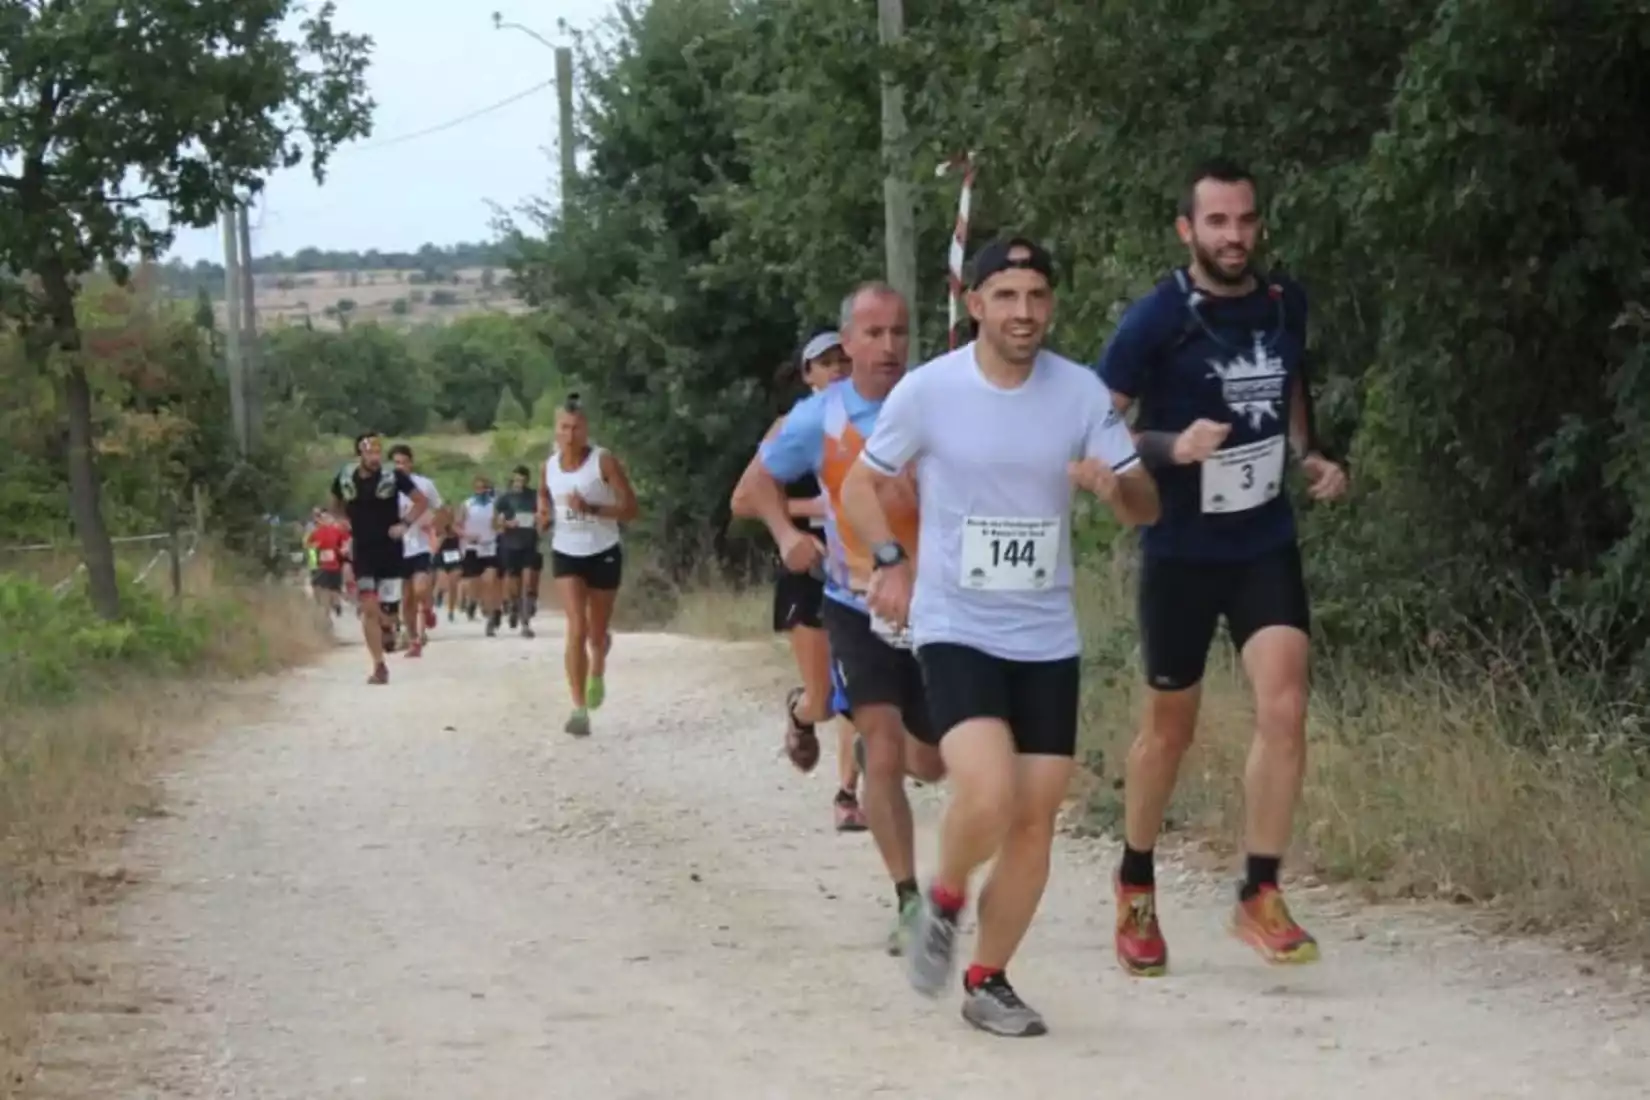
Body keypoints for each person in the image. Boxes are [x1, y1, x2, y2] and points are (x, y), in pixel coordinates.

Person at [843, 237, 1159, 1037]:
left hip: (1046, 634)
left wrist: (1115, 484)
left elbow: (1145, 507)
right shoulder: (930, 391)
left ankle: (988, 979)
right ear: (975, 303)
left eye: (1037, 297)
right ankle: (944, 896)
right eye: (1007, 296)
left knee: (1034, 816)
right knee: (986, 791)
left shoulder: (1081, 393)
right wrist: (889, 557)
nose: (1024, 312)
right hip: (958, 624)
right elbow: (860, 484)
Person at [1095, 158, 1350, 978]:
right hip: (1180, 549)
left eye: (1245, 221)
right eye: (1217, 223)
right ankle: (1135, 882)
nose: (1234, 236)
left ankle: (1259, 890)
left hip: (1262, 540)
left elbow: (1289, 382)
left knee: (1285, 703)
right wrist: (1172, 447)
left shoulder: (1284, 305)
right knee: (1169, 731)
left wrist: (1310, 455)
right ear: (1187, 230)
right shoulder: (1155, 320)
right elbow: (1093, 427)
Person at [730, 281, 945, 956]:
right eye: (874, 334)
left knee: (932, 763)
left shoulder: (939, 402)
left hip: (935, 603)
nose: (888, 347)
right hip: (855, 603)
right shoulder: (818, 417)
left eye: (899, 334)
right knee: (882, 748)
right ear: (846, 343)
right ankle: (909, 899)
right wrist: (787, 535)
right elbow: (750, 490)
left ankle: (884, 754)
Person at [765, 329, 866, 832]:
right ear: (807, 375)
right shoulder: (792, 426)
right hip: (808, 568)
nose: (838, 371)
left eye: (845, 361)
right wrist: (814, 513)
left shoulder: (874, 420)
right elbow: (755, 499)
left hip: (861, 570)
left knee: (858, 689)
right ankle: (801, 715)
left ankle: (847, 793)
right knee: (825, 699)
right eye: (826, 363)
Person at [539, 393, 639, 738]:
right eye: (564, 428)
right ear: (555, 430)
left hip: (604, 550)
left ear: (586, 430)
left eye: (577, 428)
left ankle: (598, 665)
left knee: (597, 633)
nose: (570, 435)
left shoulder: (603, 462)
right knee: (576, 626)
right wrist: (542, 513)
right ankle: (578, 708)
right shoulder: (549, 466)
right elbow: (544, 494)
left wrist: (592, 509)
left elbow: (630, 509)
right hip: (566, 551)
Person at [329, 431, 430, 684]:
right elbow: (335, 503)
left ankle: (388, 625)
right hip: (363, 550)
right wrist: (341, 521)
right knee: (367, 608)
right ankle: (378, 665)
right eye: (369, 452)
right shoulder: (345, 477)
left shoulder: (393, 477)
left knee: (387, 609)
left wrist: (405, 524)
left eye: (377, 452)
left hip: (390, 550)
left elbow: (421, 501)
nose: (374, 457)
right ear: (359, 454)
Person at [390, 443, 444, 658]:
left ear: (411, 463)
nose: (400, 466)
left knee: (421, 589)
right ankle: (413, 639)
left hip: (420, 545)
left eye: (403, 462)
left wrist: (434, 526)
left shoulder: (424, 485)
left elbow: (441, 510)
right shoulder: (387, 488)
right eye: (396, 463)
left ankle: (428, 609)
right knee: (407, 597)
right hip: (397, 548)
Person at [495, 464, 544, 639]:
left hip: (530, 543)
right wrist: (508, 524)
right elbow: (497, 523)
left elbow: (544, 515)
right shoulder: (505, 498)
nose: (519, 483)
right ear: (513, 479)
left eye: (523, 480)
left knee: (529, 581)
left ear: (527, 480)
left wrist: (541, 522)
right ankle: (514, 606)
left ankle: (526, 622)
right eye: (517, 480)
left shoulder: (535, 496)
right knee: (514, 585)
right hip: (511, 544)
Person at [457, 475, 503, 636]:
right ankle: (473, 601)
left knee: (490, 581)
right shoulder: (467, 505)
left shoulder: (493, 505)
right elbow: (456, 526)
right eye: (478, 488)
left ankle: (491, 617)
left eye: (484, 488)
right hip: (472, 548)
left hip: (489, 547)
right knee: (474, 585)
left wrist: (501, 526)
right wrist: (466, 535)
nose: (481, 491)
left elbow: (497, 525)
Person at [305, 509, 348, 616]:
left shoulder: (321, 532)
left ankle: (329, 607)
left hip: (328, 565)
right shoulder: (329, 531)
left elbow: (308, 544)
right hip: (330, 565)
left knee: (326, 587)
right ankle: (333, 605)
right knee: (332, 587)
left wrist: (314, 546)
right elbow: (345, 543)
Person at [433, 508, 463, 621]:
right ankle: (440, 592)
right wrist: (442, 536)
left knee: (453, 583)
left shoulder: (456, 527)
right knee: (444, 582)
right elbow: (435, 548)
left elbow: (463, 535)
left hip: (454, 556)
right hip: (441, 557)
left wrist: (454, 529)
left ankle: (451, 610)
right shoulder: (438, 529)